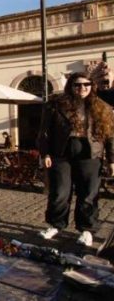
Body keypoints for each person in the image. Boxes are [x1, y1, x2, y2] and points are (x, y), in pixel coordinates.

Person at [37, 71, 114, 247]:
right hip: (61, 153)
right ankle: (56, 225)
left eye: (86, 84)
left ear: (92, 86)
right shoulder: (55, 105)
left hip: (90, 154)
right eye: (77, 84)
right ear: (70, 86)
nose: (82, 88)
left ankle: (86, 229)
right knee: (60, 193)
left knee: (88, 194)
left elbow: (110, 136)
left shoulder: (101, 106)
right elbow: (44, 132)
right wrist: (45, 153)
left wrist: (111, 160)